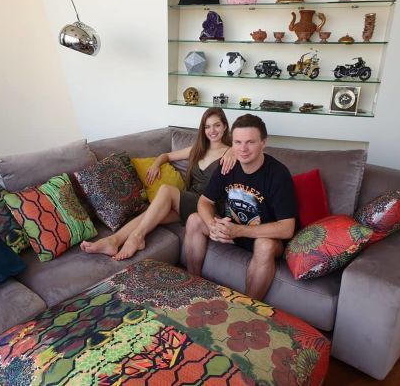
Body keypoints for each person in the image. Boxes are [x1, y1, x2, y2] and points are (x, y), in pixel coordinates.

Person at [80, 107, 234, 260]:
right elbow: (166, 156)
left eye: (217, 125)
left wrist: (234, 150)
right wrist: (155, 165)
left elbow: (245, 156)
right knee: (151, 215)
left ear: (225, 126)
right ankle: (113, 241)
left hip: (209, 206)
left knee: (166, 190)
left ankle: (137, 237)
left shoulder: (231, 153)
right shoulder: (198, 150)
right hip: (190, 201)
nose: (212, 130)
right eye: (207, 126)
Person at [184, 114, 297, 300]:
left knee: (264, 245)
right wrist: (213, 225)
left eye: (250, 142)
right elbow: (204, 201)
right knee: (194, 220)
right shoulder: (227, 165)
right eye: (237, 142)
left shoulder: (278, 174)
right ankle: (193, 287)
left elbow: (287, 228)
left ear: (263, 143)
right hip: (233, 231)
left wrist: (239, 231)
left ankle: (248, 308)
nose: (243, 149)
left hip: (263, 235)